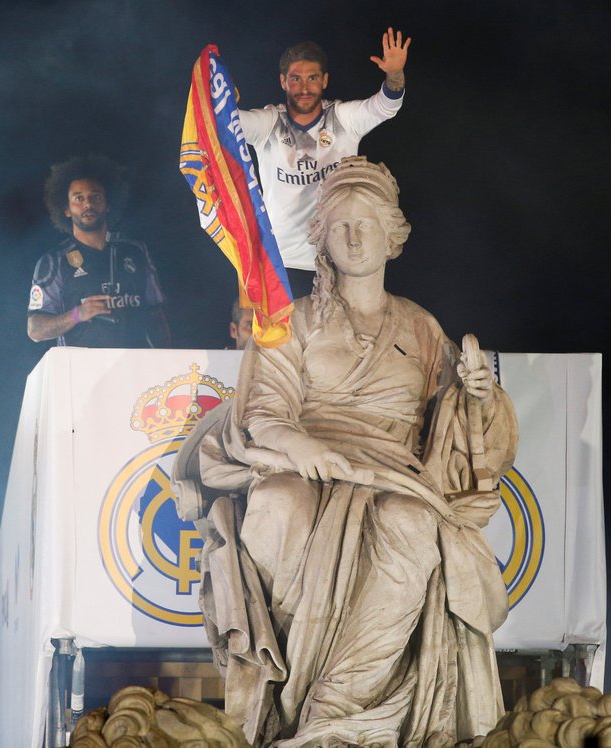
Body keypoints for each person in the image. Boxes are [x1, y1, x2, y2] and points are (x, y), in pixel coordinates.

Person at [175, 157, 519, 747]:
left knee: (410, 523)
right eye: (340, 226)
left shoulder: (419, 327)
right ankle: (287, 689)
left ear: (393, 236)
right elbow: (264, 410)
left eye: (366, 223)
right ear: (322, 241)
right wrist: (302, 447)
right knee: (280, 505)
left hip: (394, 474)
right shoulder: (293, 321)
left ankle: (337, 708)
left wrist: (480, 397)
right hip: (302, 461)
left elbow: (458, 429)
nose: (355, 236)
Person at [239, 29, 410, 298]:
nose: (304, 88)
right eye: (295, 79)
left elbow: (385, 106)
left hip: (337, 260)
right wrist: (222, 103)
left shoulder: (343, 118)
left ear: (325, 80)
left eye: (312, 78)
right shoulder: (269, 123)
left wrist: (394, 74)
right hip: (280, 265)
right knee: (284, 341)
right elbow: (227, 124)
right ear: (283, 82)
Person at [27, 155, 170, 348]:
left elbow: (155, 314)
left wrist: (167, 359)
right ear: (66, 209)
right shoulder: (54, 261)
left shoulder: (135, 250)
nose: (88, 204)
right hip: (82, 372)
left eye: (95, 197)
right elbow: (35, 329)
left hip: (137, 368)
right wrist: (78, 314)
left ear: (108, 203)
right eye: (79, 198)